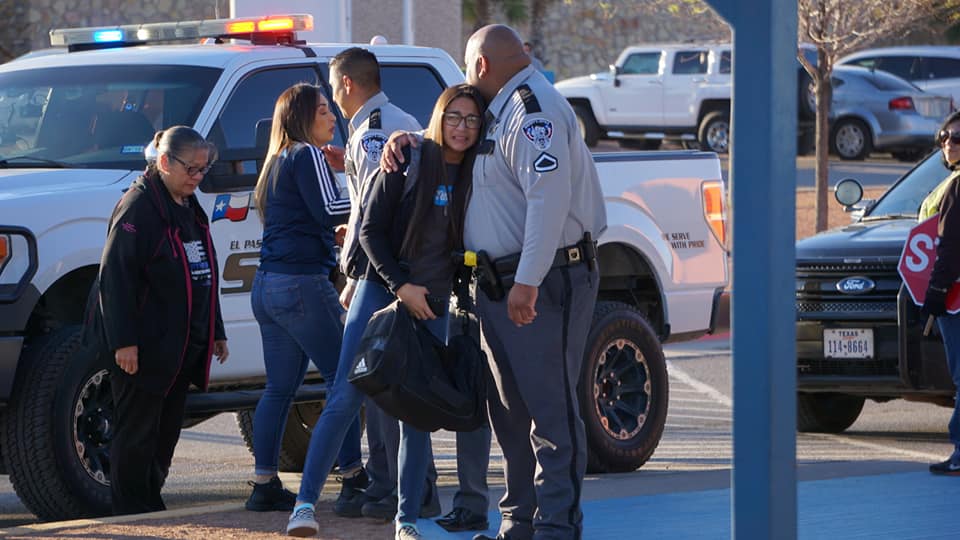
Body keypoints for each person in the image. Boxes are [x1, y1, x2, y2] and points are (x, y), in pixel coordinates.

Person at [382, 24, 607, 540]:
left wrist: (527, 280)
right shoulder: (499, 111)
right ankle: (519, 523)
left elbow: (546, 200)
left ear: (480, 65)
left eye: (466, 66)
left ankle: (555, 525)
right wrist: (412, 138)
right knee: (509, 415)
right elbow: (461, 145)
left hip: (542, 284)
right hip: (495, 286)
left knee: (550, 412)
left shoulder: (533, 111)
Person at [285, 84, 486, 540]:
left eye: (472, 119)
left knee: (415, 413)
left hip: (433, 303)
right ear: (439, 116)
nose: (462, 127)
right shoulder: (409, 157)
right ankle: (303, 507)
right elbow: (371, 232)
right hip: (382, 289)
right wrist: (401, 286)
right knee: (346, 395)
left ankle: (406, 521)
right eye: (453, 116)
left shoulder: (480, 168)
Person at [327, 47, 440, 519]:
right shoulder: (384, 124)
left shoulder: (374, 135)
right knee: (391, 384)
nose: (332, 97)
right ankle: (401, 488)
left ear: (349, 84)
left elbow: (376, 214)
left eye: (334, 86)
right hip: (390, 272)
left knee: (382, 384)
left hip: (384, 275)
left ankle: (394, 489)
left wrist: (359, 278)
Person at [96, 125, 228, 515]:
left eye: (204, 170)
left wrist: (216, 330)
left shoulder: (188, 204)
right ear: (165, 162)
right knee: (136, 432)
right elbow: (114, 277)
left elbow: (205, 269)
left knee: (165, 432)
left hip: (182, 344)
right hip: (146, 344)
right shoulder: (138, 206)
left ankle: (150, 501)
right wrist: (124, 341)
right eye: (192, 169)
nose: (198, 178)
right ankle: (132, 509)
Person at [244, 83, 360, 513]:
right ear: (304, 117)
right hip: (300, 285)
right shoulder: (306, 154)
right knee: (344, 379)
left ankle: (263, 483)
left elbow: (307, 216)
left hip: (267, 286)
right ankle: (353, 476)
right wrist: (367, 186)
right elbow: (331, 209)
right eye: (325, 111)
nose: (333, 118)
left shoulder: (275, 160)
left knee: (279, 388)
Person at [918, 109, 960, 475]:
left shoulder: (958, 188)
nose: (949, 143)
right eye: (944, 137)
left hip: (956, 298)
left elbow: (948, 246)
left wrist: (936, 290)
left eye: (957, 137)